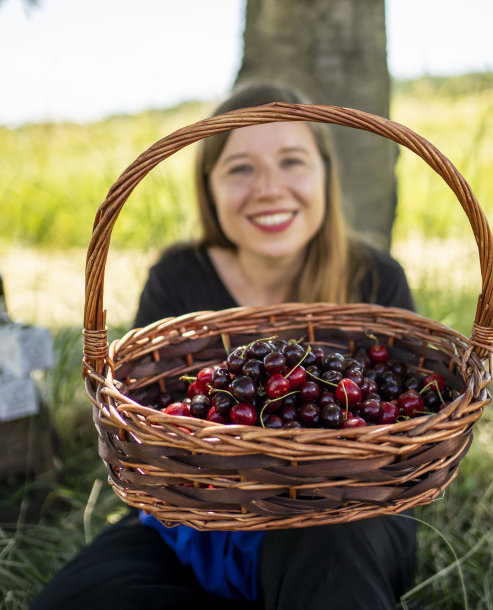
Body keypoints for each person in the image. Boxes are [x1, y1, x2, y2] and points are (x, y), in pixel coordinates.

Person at [31, 80, 418, 610]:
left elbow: (401, 433)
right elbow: (154, 423)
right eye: (240, 168)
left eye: (292, 161)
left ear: (326, 173)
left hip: (345, 510)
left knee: (330, 563)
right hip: (196, 513)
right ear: (208, 186)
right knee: (82, 597)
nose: (268, 187)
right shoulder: (178, 279)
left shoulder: (375, 280)